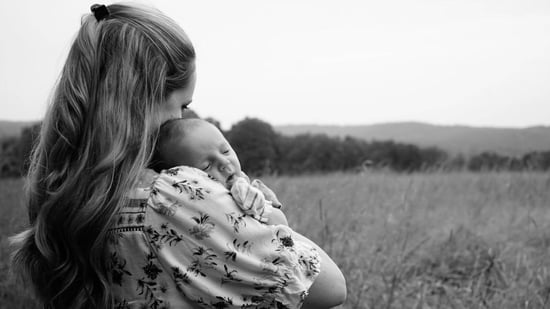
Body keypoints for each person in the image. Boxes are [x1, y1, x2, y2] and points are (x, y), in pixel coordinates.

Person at [10, 3, 346, 309]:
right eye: (182, 105)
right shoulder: (178, 195)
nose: (183, 119)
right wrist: (264, 218)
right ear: (143, 101)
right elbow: (330, 288)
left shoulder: (60, 194)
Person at [152, 118, 288, 226]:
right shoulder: (216, 204)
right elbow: (279, 222)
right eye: (206, 166)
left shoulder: (244, 187)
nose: (224, 162)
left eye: (225, 151)